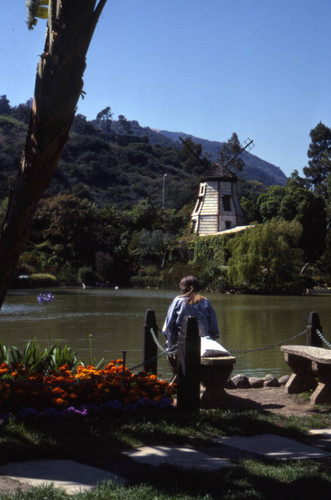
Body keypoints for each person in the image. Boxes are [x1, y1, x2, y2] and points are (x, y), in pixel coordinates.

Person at [162, 275, 220, 349]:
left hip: (181, 342)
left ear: (182, 288)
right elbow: (213, 326)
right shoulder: (205, 301)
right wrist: (213, 337)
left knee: (167, 330)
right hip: (204, 342)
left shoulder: (178, 301)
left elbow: (169, 324)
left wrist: (171, 341)